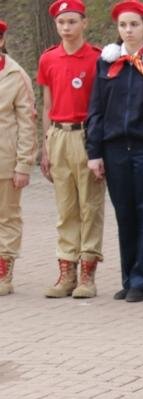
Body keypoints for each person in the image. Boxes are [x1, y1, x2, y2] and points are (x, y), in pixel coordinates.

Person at [86, 0, 143, 302]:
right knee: (124, 213)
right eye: (123, 25)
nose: (128, 30)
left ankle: (142, 279)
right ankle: (127, 276)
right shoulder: (107, 63)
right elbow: (96, 108)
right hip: (114, 147)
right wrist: (94, 151)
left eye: (134, 24)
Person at [37, 0, 105, 299]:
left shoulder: (97, 59)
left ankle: (88, 273)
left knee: (90, 206)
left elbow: (101, 106)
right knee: (66, 209)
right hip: (59, 135)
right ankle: (67, 272)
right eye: (61, 22)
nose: (66, 28)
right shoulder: (48, 59)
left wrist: (98, 147)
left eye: (72, 22)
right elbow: (47, 104)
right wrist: (46, 144)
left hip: (86, 135)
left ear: (84, 23)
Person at [0, 19, 38, 297]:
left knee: (7, 217)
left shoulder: (15, 75)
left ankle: (3, 271)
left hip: (5, 159)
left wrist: (24, 164)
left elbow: (27, 122)